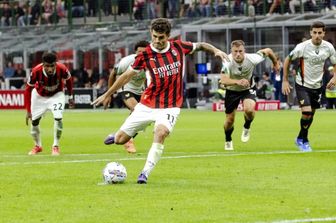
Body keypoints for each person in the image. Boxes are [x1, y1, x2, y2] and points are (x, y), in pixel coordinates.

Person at [92, 18, 228, 184]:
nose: (157, 41)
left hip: (170, 106)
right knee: (121, 140)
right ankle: (116, 136)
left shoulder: (178, 47)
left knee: (161, 132)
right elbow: (126, 75)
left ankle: (145, 173)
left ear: (168, 36)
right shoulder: (145, 55)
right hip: (147, 104)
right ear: (151, 34)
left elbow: (200, 45)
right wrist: (108, 93)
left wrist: (216, 51)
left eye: (161, 37)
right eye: (155, 36)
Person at [282, 21, 336, 152]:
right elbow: (287, 60)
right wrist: (285, 80)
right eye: (315, 32)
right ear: (311, 33)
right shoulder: (302, 47)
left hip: (317, 86)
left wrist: (334, 77)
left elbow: (335, 63)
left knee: (311, 114)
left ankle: (300, 137)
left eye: (320, 33)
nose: (317, 35)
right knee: (306, 112)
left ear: (324, 33)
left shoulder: (328, 47)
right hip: (302, 85)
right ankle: (304, 141)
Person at [220, 40, 279, 151]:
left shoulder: (252, 58)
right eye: (235, 51)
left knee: (249, 110)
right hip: (232, 91)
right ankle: (228, 139)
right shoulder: (227, 61)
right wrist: (237, 82)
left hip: (248, 89)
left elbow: (268, 51)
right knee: (229, 121)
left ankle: (247, 126)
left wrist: (275, 63)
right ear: (231, 52)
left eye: (240, 51)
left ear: (244, 51)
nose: (238, 54)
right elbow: (223, 80)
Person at [102, 40, 149, 154]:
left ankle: (118, 136)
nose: (141, 55)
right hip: (126, 88)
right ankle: (128, 140)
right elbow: (113, 74)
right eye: (139, 52)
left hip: (140, 91)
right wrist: (109, 94)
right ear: (135, 52)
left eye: (144, 52)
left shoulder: (151, 63)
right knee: (136, 110)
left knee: (145, 117)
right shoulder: (127, 61)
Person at [24, 52, 75, 156]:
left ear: (55, 64)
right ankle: (38, 146)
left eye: (52, 66)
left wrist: (70, 97)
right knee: (34, 122)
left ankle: (55, 146)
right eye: (47, 66)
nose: (50, 69)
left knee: (58, 117)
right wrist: (28, 111)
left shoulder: (62, 68)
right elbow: (28, 90)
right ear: (43, 65)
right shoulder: (35, 71)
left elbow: (69, 80)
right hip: (39, 96)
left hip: (57, 95)